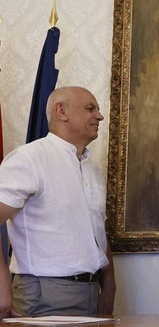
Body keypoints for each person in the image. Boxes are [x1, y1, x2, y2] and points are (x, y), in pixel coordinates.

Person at [0, 86, 115, 318]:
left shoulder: (91, 168)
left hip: (91, 292)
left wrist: (109, 286)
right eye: (90, 108)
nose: (100, 116)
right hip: (43, 294)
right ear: (61, 111)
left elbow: (96, 232)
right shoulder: (30, 159)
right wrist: (2, 289)